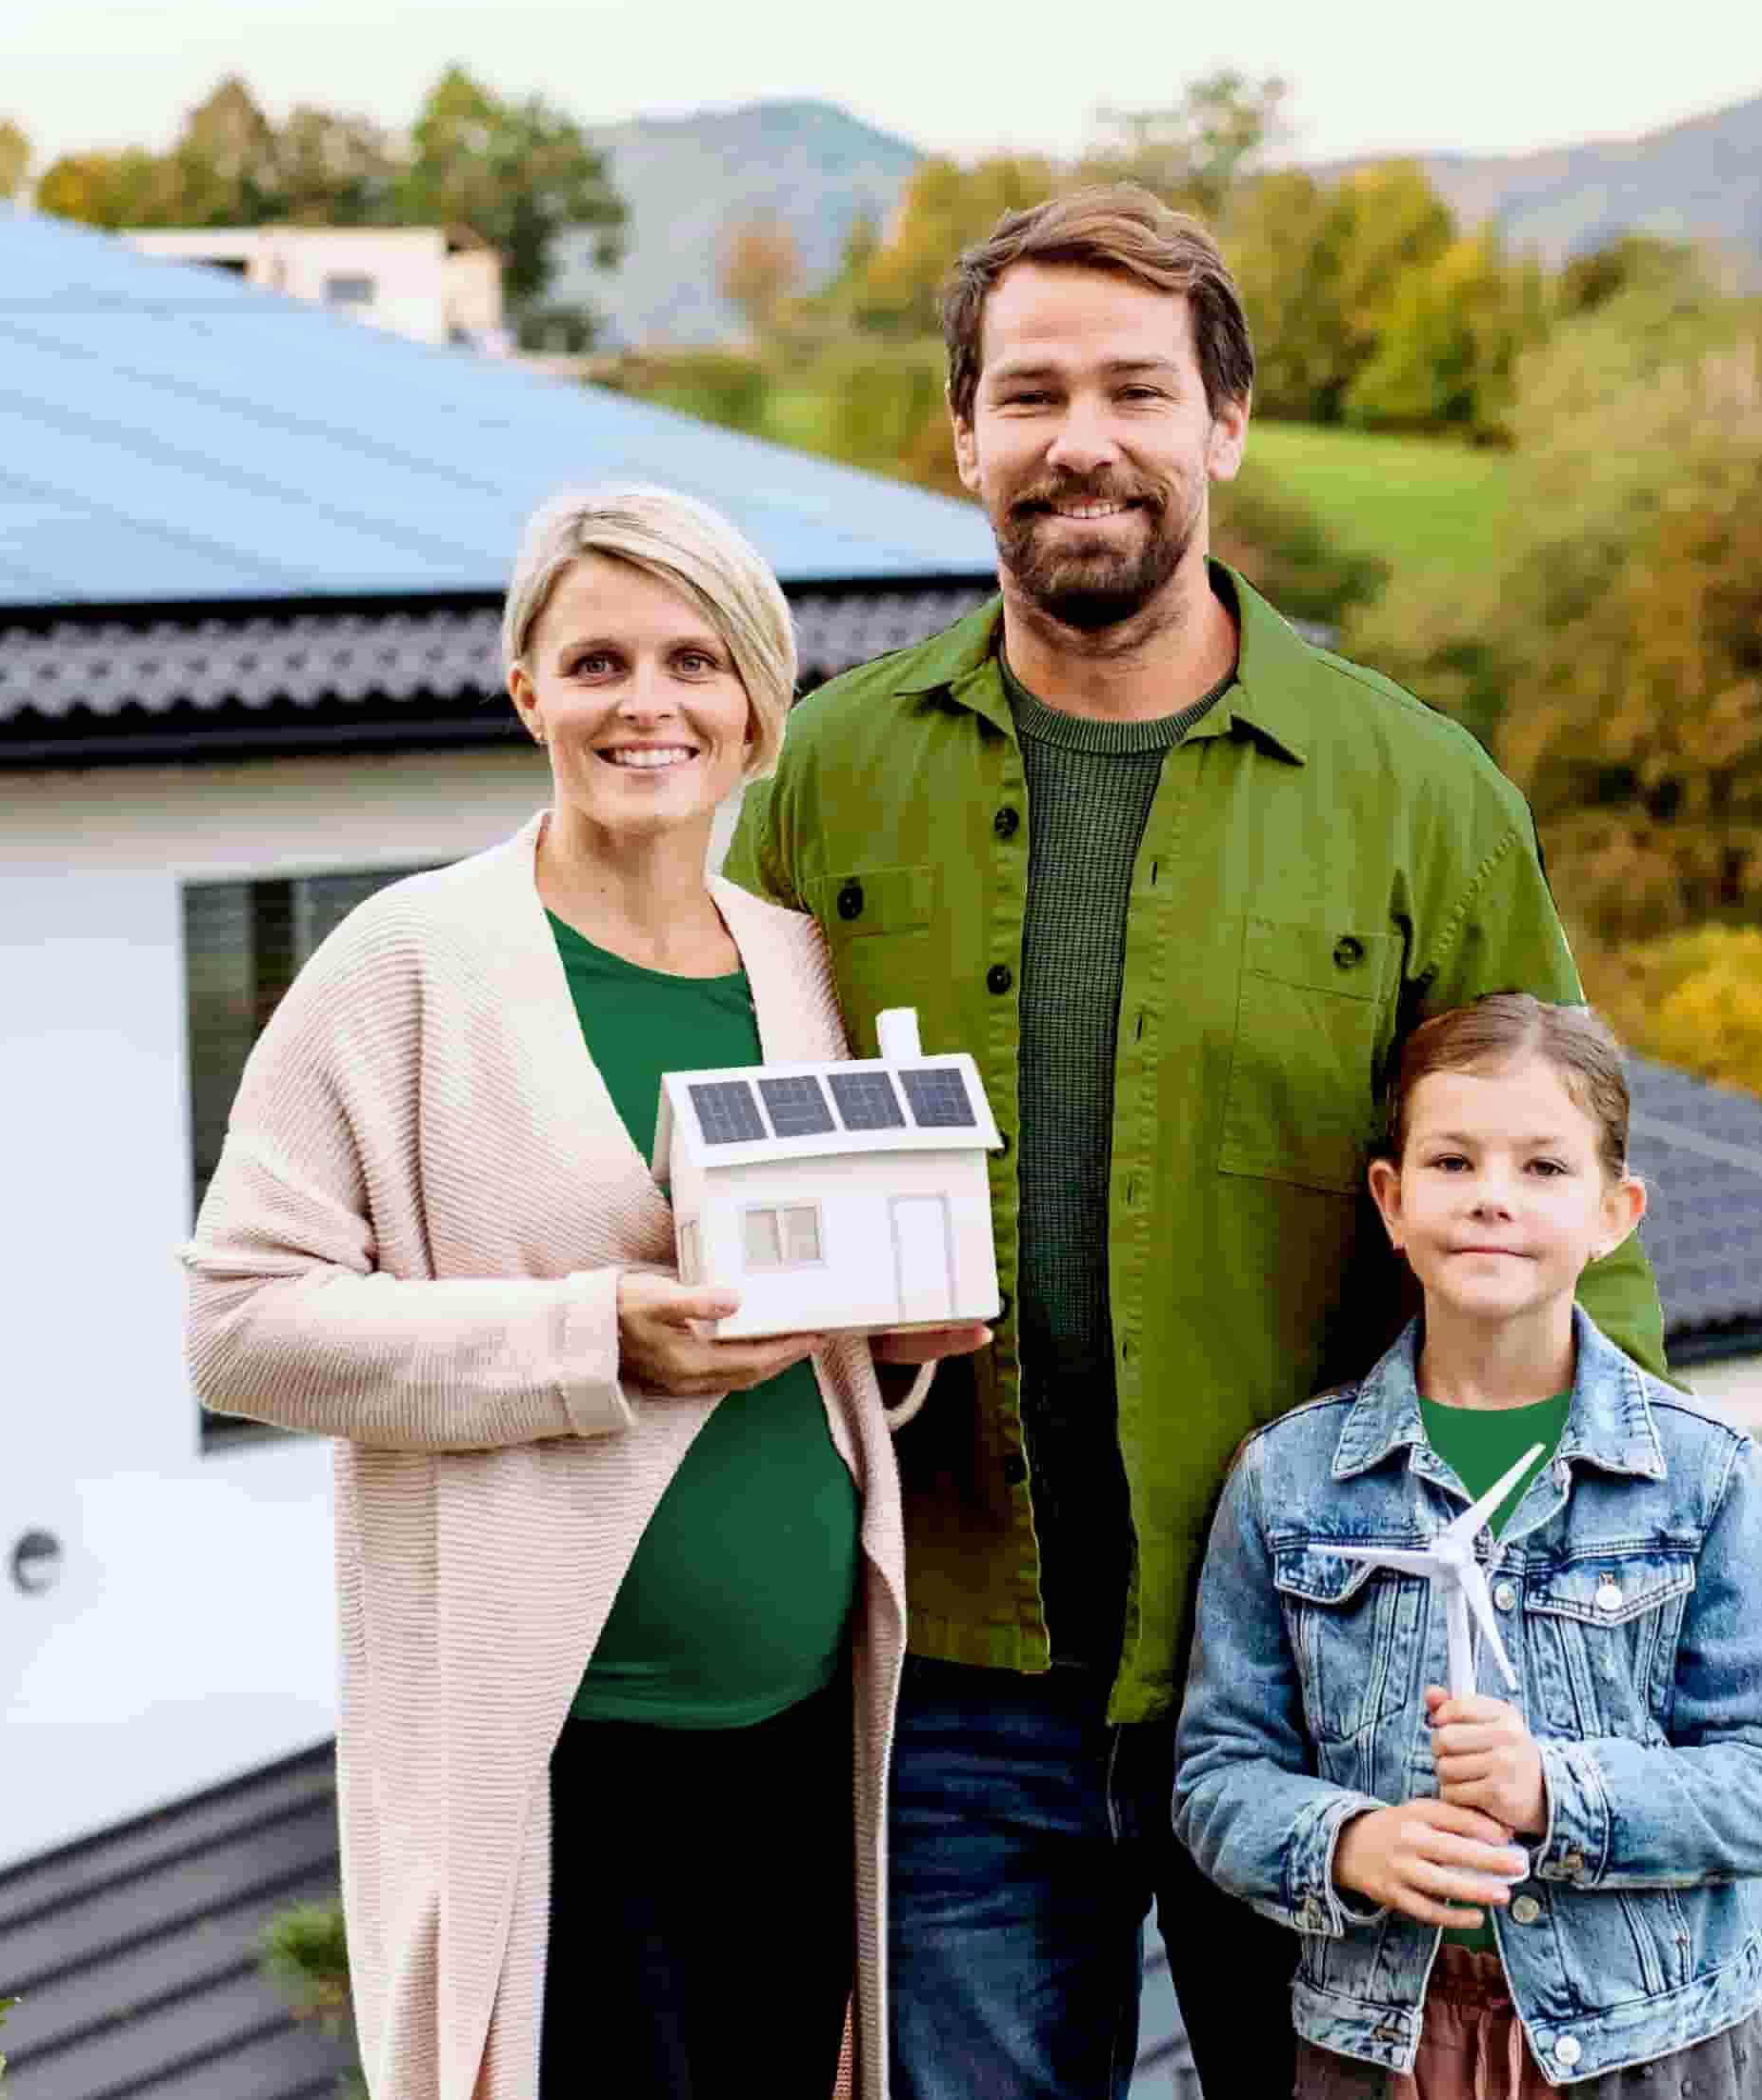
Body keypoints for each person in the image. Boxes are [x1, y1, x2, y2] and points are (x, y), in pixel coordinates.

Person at [722, 184, 1668, 2099]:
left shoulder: (1413, 788)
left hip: (1340, 1685)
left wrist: (1617, 1615)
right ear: (962, 433)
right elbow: (711, 1141)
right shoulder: (831, 771)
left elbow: (1564, 1207)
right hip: (955, 1685)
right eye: (1034, 391)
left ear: (1222, 426)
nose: (1086, 439)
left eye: (1138, 390)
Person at [183, 486, 985, 2100]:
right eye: (597, 658)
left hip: (799, 1725)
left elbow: (800, 1313)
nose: (646, 701)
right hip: (558, 1746)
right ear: (526, 690)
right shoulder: (405, 962)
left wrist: (890, 1337)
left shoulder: (798, 966)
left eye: (694, 658)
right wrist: (582, 1334)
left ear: (758, 706)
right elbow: (240, 1328)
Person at [1175, 994, 1762, 2098]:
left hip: (1650, 2045)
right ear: (1390, 1199)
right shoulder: (1283, 1479)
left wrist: (1554, 1789)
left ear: (1614, 1211)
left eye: (1541, 1168)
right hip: (1378, 2044)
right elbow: (1214, 1773)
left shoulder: (1704, 1472)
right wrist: (1346, 1842)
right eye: (1450, 1160)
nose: (1490, 1196)